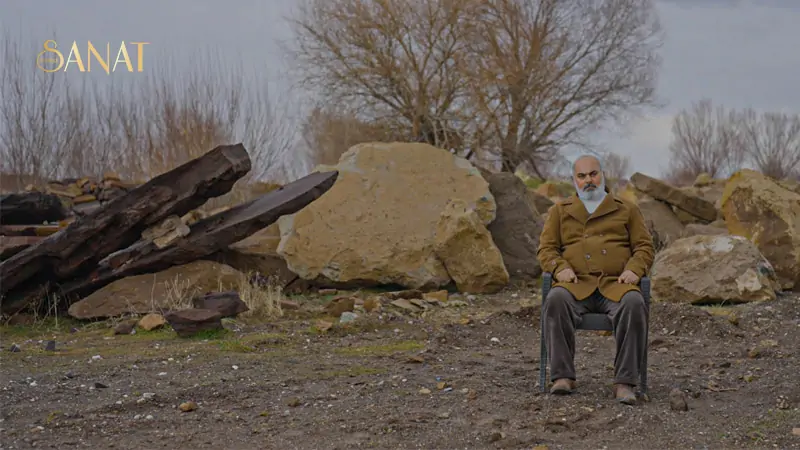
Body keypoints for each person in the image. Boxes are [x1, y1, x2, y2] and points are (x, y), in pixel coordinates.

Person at [536, 154, 655, 405]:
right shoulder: (560, 211)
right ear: (574, 180)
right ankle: (562, 377)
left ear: (602, 175)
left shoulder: (627, 209)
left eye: (593, 174)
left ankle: (624, 382)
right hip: (575, 284)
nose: (588, 180)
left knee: (634, 303)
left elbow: (644, 247)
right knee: (556, 299)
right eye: (582, 176)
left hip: (616, 284)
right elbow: (546, 249)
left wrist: (635, 269)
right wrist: (559, 268)